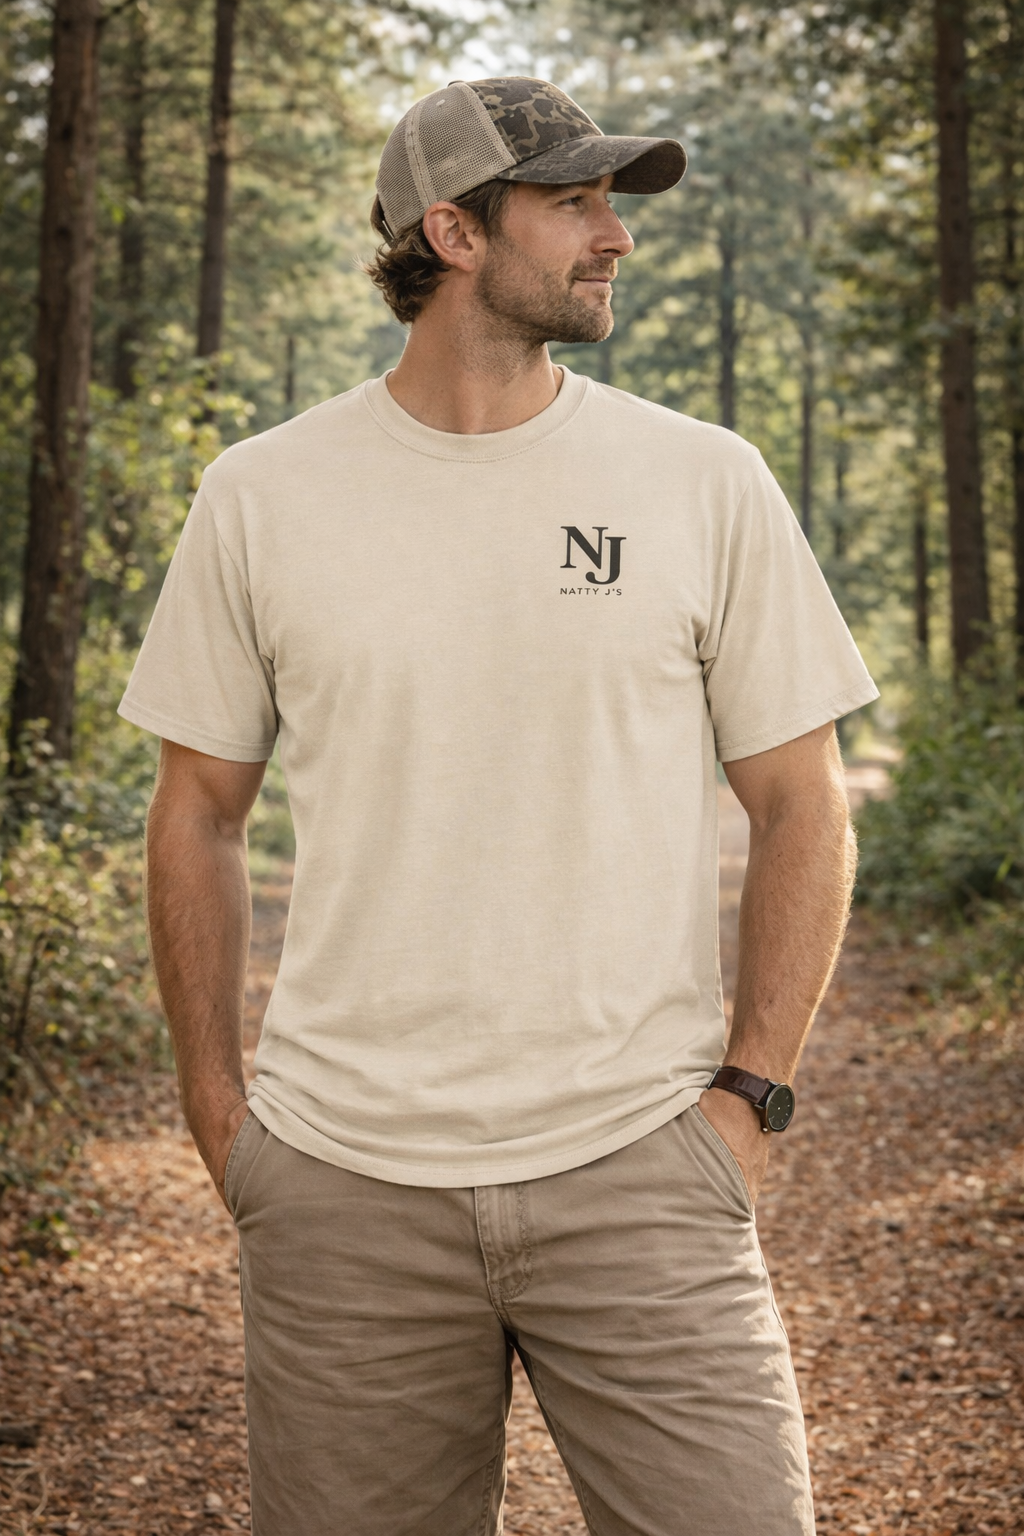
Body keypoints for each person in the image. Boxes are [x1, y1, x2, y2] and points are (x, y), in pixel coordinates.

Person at [121, 76, 878, 1536]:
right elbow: (197, 808)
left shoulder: (702, 481)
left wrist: (749, 1097)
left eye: (612, 203)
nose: (616, 236)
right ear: (454, 234)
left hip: (643, 1169)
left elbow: (803, 802)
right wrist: (220, 1114)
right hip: (343, 1193)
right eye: (575, 203)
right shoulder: (261, 496)